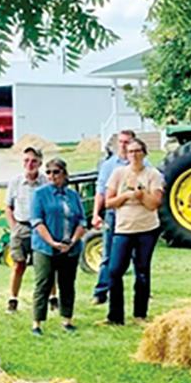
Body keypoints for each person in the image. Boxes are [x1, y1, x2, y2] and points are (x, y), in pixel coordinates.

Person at [100, 138, 164, 326]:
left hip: (147, 229)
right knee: (114, 270)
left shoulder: (153, 175)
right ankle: (115, 316)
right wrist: (127, 196)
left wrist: (141, 194)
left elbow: (154, 204)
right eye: (130, 151)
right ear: (126, 154)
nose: (134, 155)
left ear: (144, 153)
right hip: (123, 229)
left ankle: (140, 314)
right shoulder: (118, 173)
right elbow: (108, 202)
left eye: (138, 151)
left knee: (142, 271)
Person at [28, 157, 87, 335]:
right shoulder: (40, 194)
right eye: (49, 172)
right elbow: (37, 222)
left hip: (70, 247)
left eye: (56, 172)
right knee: (43, 283)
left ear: (64, 173)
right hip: (45, 247)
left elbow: (82, 221)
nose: (52, 176)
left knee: (67, 284)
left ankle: (67, 320)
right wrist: (53, 243)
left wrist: (73, 241)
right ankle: (37, 323)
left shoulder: (73, 195)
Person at [91, 130, 148, 306]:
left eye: (127, 142)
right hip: (114, 214)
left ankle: (142, 292)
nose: (124, 145)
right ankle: (101, 292)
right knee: (108, 254)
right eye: (121, 142)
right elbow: (101, 191)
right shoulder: (109, 165)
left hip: (136, 216)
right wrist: (95, 214)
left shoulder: (146, 165)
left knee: (138, 257)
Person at [5, 146, 46, 313]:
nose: (30, 164)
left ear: (40, 163)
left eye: (34, 161)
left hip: (40, 228)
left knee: (45, 265)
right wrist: (14, 227)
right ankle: (13, 300)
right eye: (27, 160)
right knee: (18, 265)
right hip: (21, 226)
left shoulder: (45, 182)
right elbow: (8, 207)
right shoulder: (15, 182)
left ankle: (52, 298)